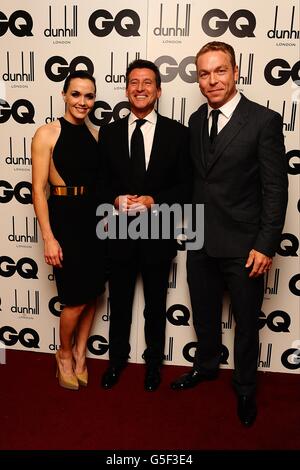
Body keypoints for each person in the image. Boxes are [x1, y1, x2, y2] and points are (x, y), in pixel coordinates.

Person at [170, 42, 288, 426]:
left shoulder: (263, 121)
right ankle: (205, 368)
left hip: (245, 247)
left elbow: (275, 190)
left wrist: (265, 244)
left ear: (236, 72)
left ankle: (245, 388)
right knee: (204, 316)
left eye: (219, 71)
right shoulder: (195, 120)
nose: (211, 80)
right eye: (204, 73)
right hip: (201, 240)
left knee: (245, 324)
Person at [98, 59, 191, 391]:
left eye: (147, 82)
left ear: (159, 90)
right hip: (119, 233)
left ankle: (154, 365)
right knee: (119, 304)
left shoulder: (178, 134)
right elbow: (99, 183)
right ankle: (116, 362)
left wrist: (153, 200)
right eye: (134, 82)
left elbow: (186, 187)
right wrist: (114, 199)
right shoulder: (108, 133)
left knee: (155, 306)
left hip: (158, 233)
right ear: (126, 90)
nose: (140, 88)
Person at [32, 70, 106, 390]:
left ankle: (80, 353)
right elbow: (38, 191)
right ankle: (63, 354)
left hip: (94, 221)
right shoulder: (47, 133)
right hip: (64, 219)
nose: (82, 102)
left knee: (92, 295)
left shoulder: (97, 135)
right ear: (64, 95)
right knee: (74, 299)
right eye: (76, 94)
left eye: (89, 96)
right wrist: (49, 237)